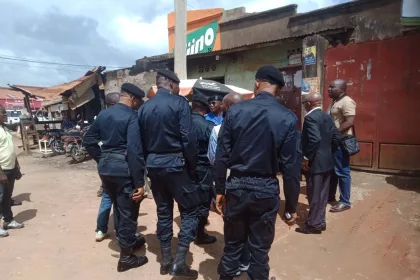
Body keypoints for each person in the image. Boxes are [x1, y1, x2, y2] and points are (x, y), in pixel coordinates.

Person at [214, 66, 299, 280]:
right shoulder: (287, 118)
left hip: (237, 187)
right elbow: (291, 167)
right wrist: (290, 206)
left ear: (258, 83)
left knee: (232, 245)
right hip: (266, 189)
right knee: (259, 251)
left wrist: (219, 190)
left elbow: (221, 155)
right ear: (278, 88)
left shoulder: (235, 110)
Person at [138, 69, 203, 278]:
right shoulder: (180, 103)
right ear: (173, 84)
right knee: (191, 210)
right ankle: (179, 262)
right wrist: (193, 167)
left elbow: (139, 143)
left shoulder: (144, 108)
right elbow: (188, 138)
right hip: (177, 165)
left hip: (154, 167)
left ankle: (165, 260)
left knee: (164, 211)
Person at [84, 83, 148, 272]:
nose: (138, 105)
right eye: (138, 101)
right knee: (128, 212)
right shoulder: (132, 117)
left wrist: (102, 158)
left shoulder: (103, 114)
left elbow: (88, 140)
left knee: (119, 207)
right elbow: (135, 151)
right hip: (123, 170)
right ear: (133, 99)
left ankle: (128, 241)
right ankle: (126, 259)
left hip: (105, 169)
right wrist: (139, 183)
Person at [297, 93, 341, 234]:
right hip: (327, 161)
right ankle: (320, 221)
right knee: (322, 194)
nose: (303, 104)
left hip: (315, 163)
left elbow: (314, 139)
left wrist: (306, 157)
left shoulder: (310, 118)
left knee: (314, 194)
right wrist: (328, 152)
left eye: (304, 102)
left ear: (309, 104)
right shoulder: (327, 116)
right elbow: (336, 137)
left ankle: (313, 224)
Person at [190, 93, 217, 245]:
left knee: (188, 200)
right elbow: (214, 152)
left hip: (186, 169)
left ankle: (190, 230)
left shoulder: (181, 124)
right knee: (203, 202)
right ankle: (199, 234)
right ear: (205, 109)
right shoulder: (209, 126)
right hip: (204, 170)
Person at [327, 79, 356, 213]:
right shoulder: (335, 101)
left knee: (343, 171)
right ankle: (330, 196)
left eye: (332, 87)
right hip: (334, 141)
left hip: (341, 141)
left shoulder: (347, 101)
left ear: (341, 89)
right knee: (333, 170)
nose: (329, 89)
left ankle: (345, 201)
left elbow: (349, 122)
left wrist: (334, 134)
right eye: (329, 87)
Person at [0, 105, 24, 238]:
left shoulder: (5, 129)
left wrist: (17, 168)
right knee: (0, 197)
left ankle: (8, 220)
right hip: (1, 170)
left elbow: (11, 150)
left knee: (7, 198)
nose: (6, 115)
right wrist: (1, 173)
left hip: (11, 169)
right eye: (3, 113)